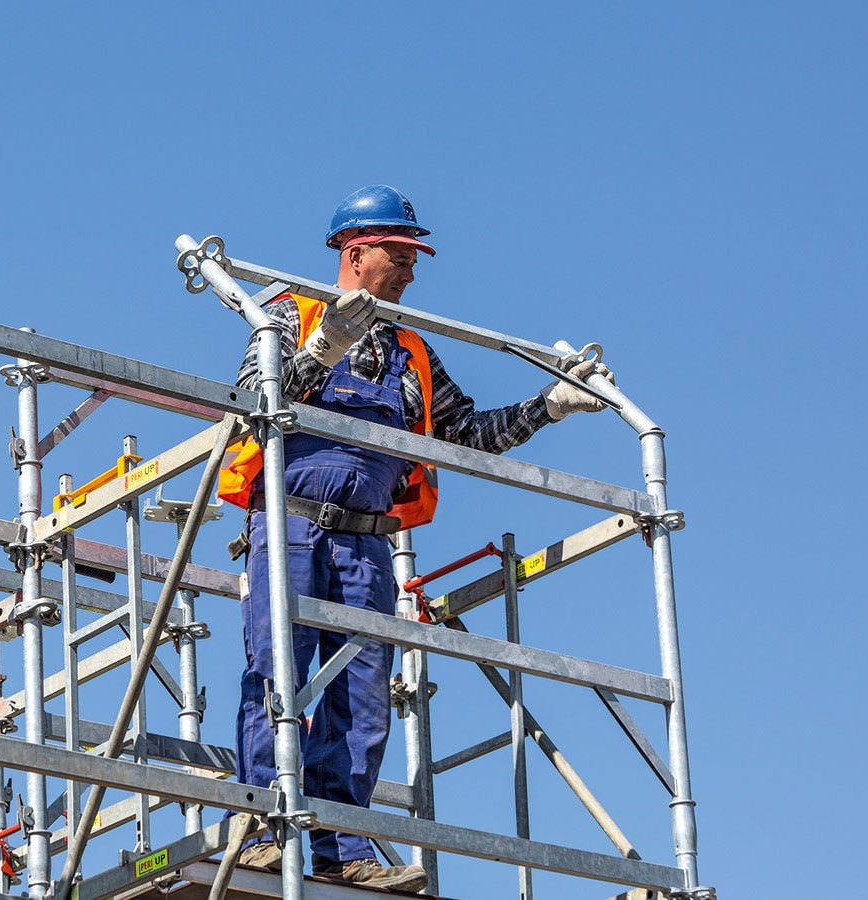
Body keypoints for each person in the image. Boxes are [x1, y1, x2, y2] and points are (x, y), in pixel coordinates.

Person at [224, 185, 613, 891]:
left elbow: (466, 435)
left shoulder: (412, 351)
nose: (410, 272)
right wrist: (317, 352)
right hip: (290, 524)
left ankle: (345, 847)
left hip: (366, 542)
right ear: (355, 252)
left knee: (364, 695)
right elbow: (255, 405)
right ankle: (262, 831)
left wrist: (550, 406)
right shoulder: (287, 313)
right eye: (400, 256)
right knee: (277, 674)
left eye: (412, 259)